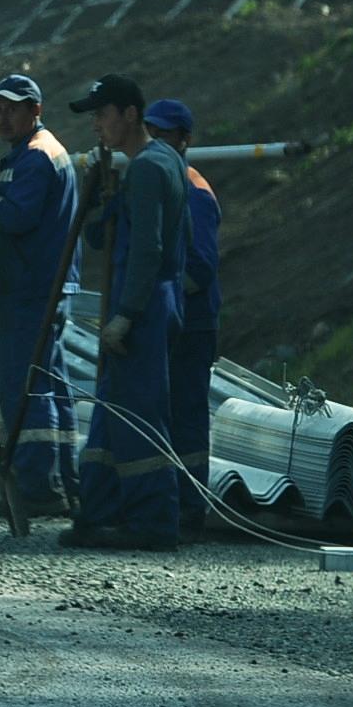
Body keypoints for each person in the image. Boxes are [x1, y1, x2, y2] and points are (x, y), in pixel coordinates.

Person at [61, 73, 188, 552]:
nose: (96, 125)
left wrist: (127, 314)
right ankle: (100, 511)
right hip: (148, 300)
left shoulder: (151, 168)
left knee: (138, 416)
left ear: (130, 115)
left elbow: (149, 250)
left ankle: (153, 522)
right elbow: (99, 237)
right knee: (113, 410)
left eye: (102, 114)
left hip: (145, 304)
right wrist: (101, 196)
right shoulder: (151, 165)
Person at [0, 74, 80, 517]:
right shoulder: (28, 155)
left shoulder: (34, 158)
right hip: (33, 286)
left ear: (35, 111)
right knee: (51, 385)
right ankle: (65, 480)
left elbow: (14, 218)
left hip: (33, 289)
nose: (3, 116)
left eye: (12, 108)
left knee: (25, 389)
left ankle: (37, 487)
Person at [145, 97, 221, 538]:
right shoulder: (169, 182)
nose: (156, 140)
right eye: (151, 132)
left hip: (192, 323)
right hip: (176, 318)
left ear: (185, 140)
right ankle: (173, 498)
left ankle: (191, 505)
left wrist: (165, 298)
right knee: (170, 411)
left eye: (165, 134)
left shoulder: (192, 191)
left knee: (188, 414)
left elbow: (201, 266)